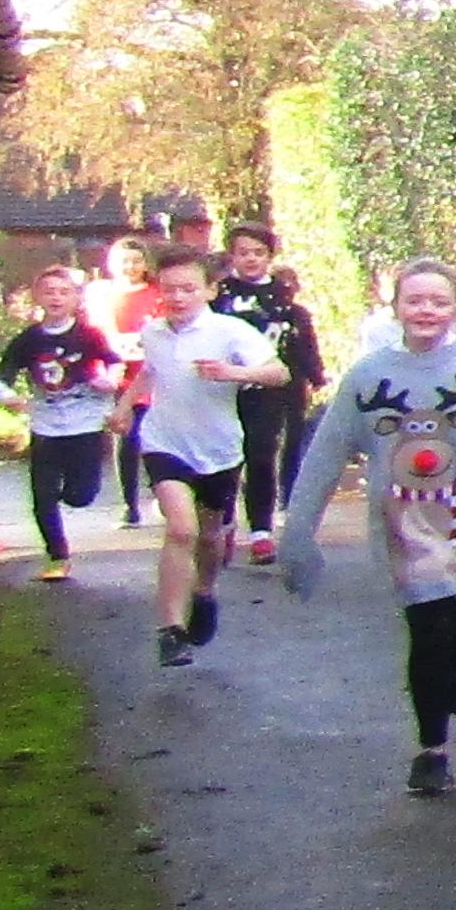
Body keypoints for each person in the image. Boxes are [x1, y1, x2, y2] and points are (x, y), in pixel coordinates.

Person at [280, 254, 456, 798]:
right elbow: (325, 455)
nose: (426, 310)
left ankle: (454, 677)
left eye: (438, 301)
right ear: (396, 307)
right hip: (407, 529)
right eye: (414, 300)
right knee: (429, 634)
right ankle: (431, 752)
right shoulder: (368, 376)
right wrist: (298, 536)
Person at [120, 246, 288, 671]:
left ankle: (205, 591)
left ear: (210, 290)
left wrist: (234, 373)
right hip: (164, 442)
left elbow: (279, 372)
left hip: (218, 449)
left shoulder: (230, 331)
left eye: (188, 289)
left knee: (210, 539)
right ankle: (170, 631)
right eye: (169, 289)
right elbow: (150, 371)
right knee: (181, 529)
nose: (177, 298)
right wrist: (124, 407)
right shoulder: (154, 332)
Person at [0, 260, 125, 582]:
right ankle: (57, 556)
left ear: (76, 298)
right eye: (49, 292)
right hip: (46, 426)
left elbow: (114, 363)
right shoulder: (28, 340)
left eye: (64, 292)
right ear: (37, 297)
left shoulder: (88, 335)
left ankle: (73, 495)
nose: (56, 298)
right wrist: (9, 398)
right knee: (43, 495)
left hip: (85, 424)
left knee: (82, 494)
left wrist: (109, 381)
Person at [218, 219, 323, 565]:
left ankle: (261, 531)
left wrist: (314, 376)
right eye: (243, 253)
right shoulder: (219, 296)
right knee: (226, 459)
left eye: (258, 252)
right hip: (223, 389)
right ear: (232, 256)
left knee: (262, 454)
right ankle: (222, 521)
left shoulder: (283, 299)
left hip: (270, 390)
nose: (251, 259)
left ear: (270, 256)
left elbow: (301, 340)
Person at [96, 233, 162, 525]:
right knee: (126, 440)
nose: (131, 267)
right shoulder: (103, 296)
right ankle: (129, 504)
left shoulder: (157, 294)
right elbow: (95, 334)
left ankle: (162, 493)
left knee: (156, 439)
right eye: (124, 261)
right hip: (120, 377)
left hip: (154, 376)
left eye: (136, 261)